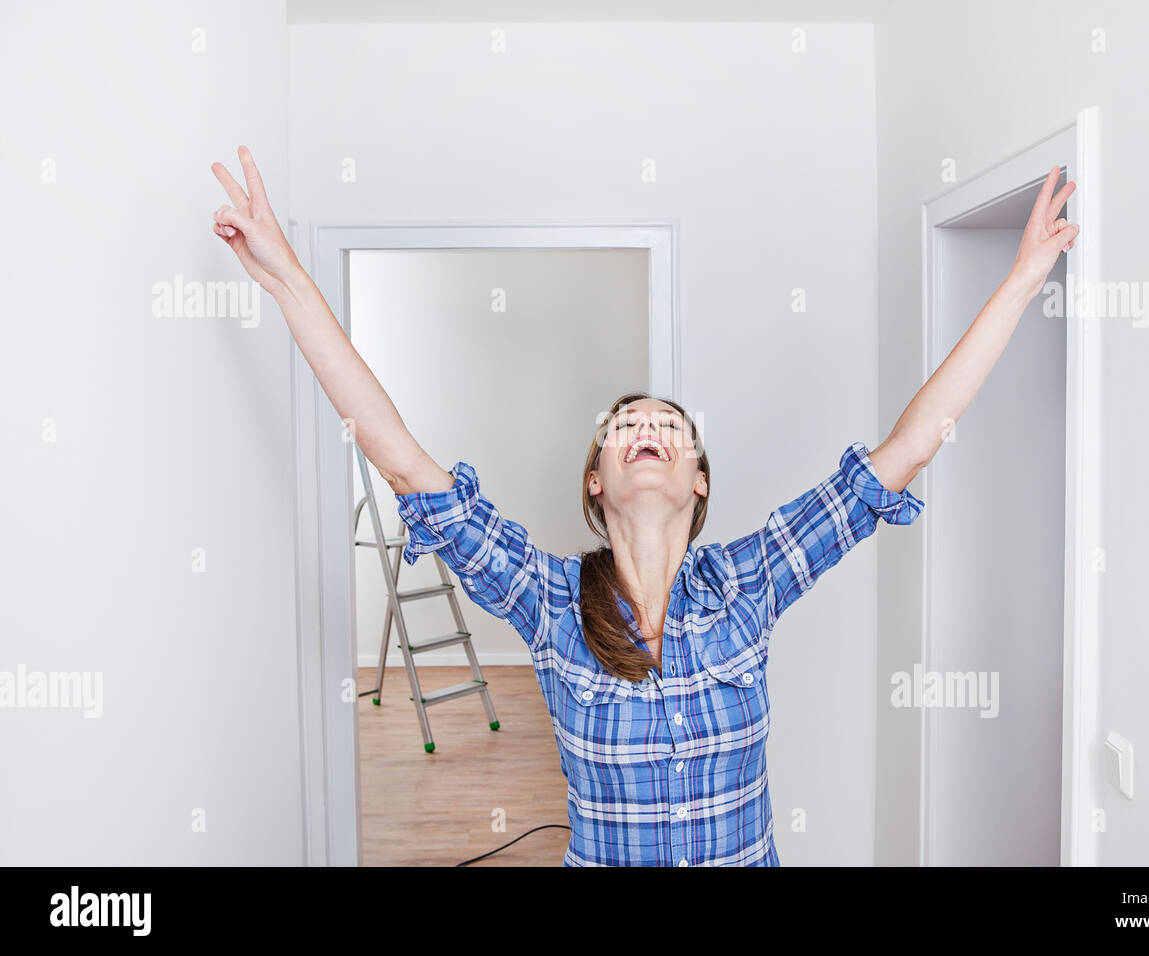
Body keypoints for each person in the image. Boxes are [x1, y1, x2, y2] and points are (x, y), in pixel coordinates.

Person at [210, 146, 1077, 866]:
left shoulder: (751, 580)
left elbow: (908, 450)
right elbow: (398, 458)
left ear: (698, 479)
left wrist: (1026, 273)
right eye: (627, 426)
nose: (650, 428)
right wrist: (286, 276)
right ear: (597, 481)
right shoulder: (549, 601)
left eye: (670, 425)